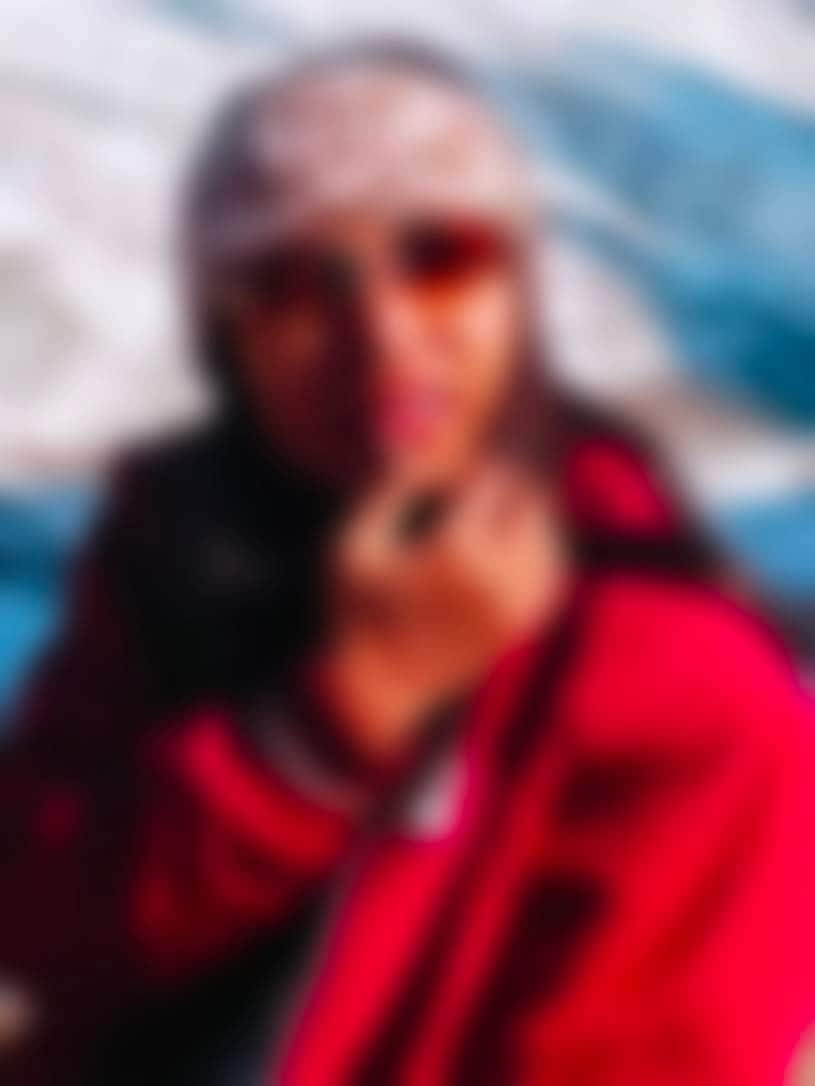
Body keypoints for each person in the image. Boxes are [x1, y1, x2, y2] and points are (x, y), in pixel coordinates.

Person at [2, 39, 815, 1085]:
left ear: (516, 295)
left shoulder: (683, 689)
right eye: (291, 283)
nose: (381, 336)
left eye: (440, 258)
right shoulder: (178, 544)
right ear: (226, 332)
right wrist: (330, 728)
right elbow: (43, 928)